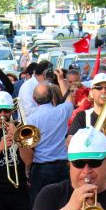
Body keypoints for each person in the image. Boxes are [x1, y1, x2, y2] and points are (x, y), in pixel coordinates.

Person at [27, 72, 73, 200]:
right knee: (63, 203)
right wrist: (60, 80)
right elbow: (69, 99)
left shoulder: (31, 119)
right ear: (52, 96)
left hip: (41, 167)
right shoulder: (62, 111)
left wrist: (27, 171)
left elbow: (30, 146)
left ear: (34, 99)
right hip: (63, 165)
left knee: (41, 204)